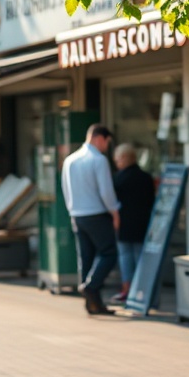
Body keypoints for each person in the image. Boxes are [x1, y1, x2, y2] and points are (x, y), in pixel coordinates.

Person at [61, 124, 120, 316]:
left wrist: (72, 209)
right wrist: (115, 212)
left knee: (86, 257)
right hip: (96, 213)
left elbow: (65, 189)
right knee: (109, 253)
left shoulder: (70, 160)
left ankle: (93, 304)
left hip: (77, 214)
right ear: (99, 138)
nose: (106, 147)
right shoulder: (99, 160)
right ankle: (90, 286)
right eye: (106, 142)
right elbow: (106, 190)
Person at [110, 143, 156, 303]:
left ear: (124, 158)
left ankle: (127, 289)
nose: (116, 162)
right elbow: (152, 200)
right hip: (143, 222)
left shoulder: (118, 179)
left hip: (123, 223)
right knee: (140, 257)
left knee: (125, 256)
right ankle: (142, 289)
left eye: (117, 159)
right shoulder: (146, 177)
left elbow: (112, 201)